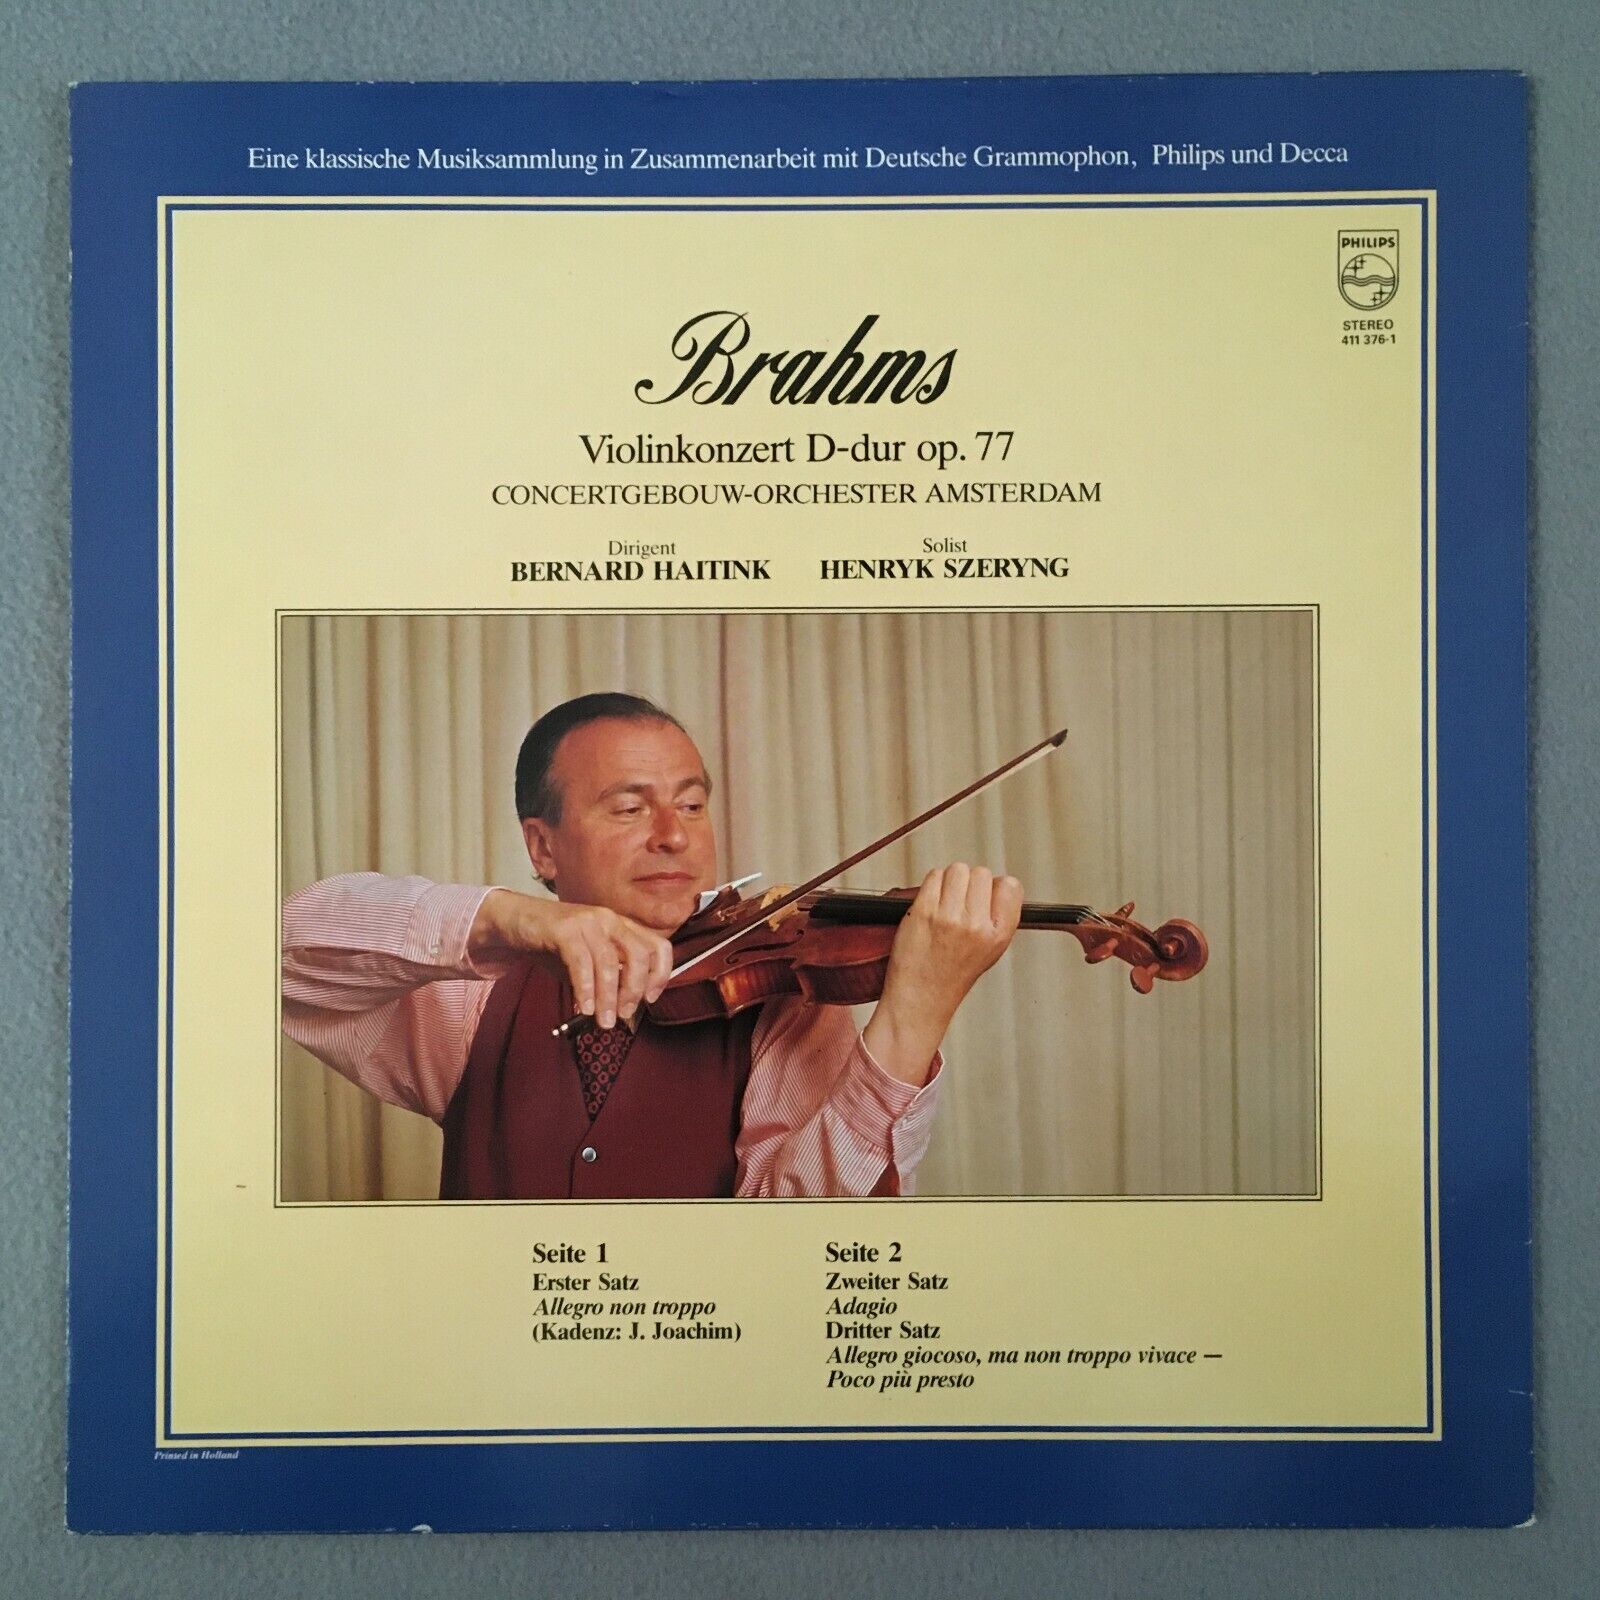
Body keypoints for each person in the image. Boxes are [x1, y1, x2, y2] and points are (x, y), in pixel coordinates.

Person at [282, 692, 1023, 1200]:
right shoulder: (470, 993)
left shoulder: (780, 999)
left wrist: (915, 1016)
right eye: (631, 808)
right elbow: (278, 954)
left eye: (692, 805)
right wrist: (507, 919)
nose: (674, 835)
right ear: (543, 848)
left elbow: (805, 1235)